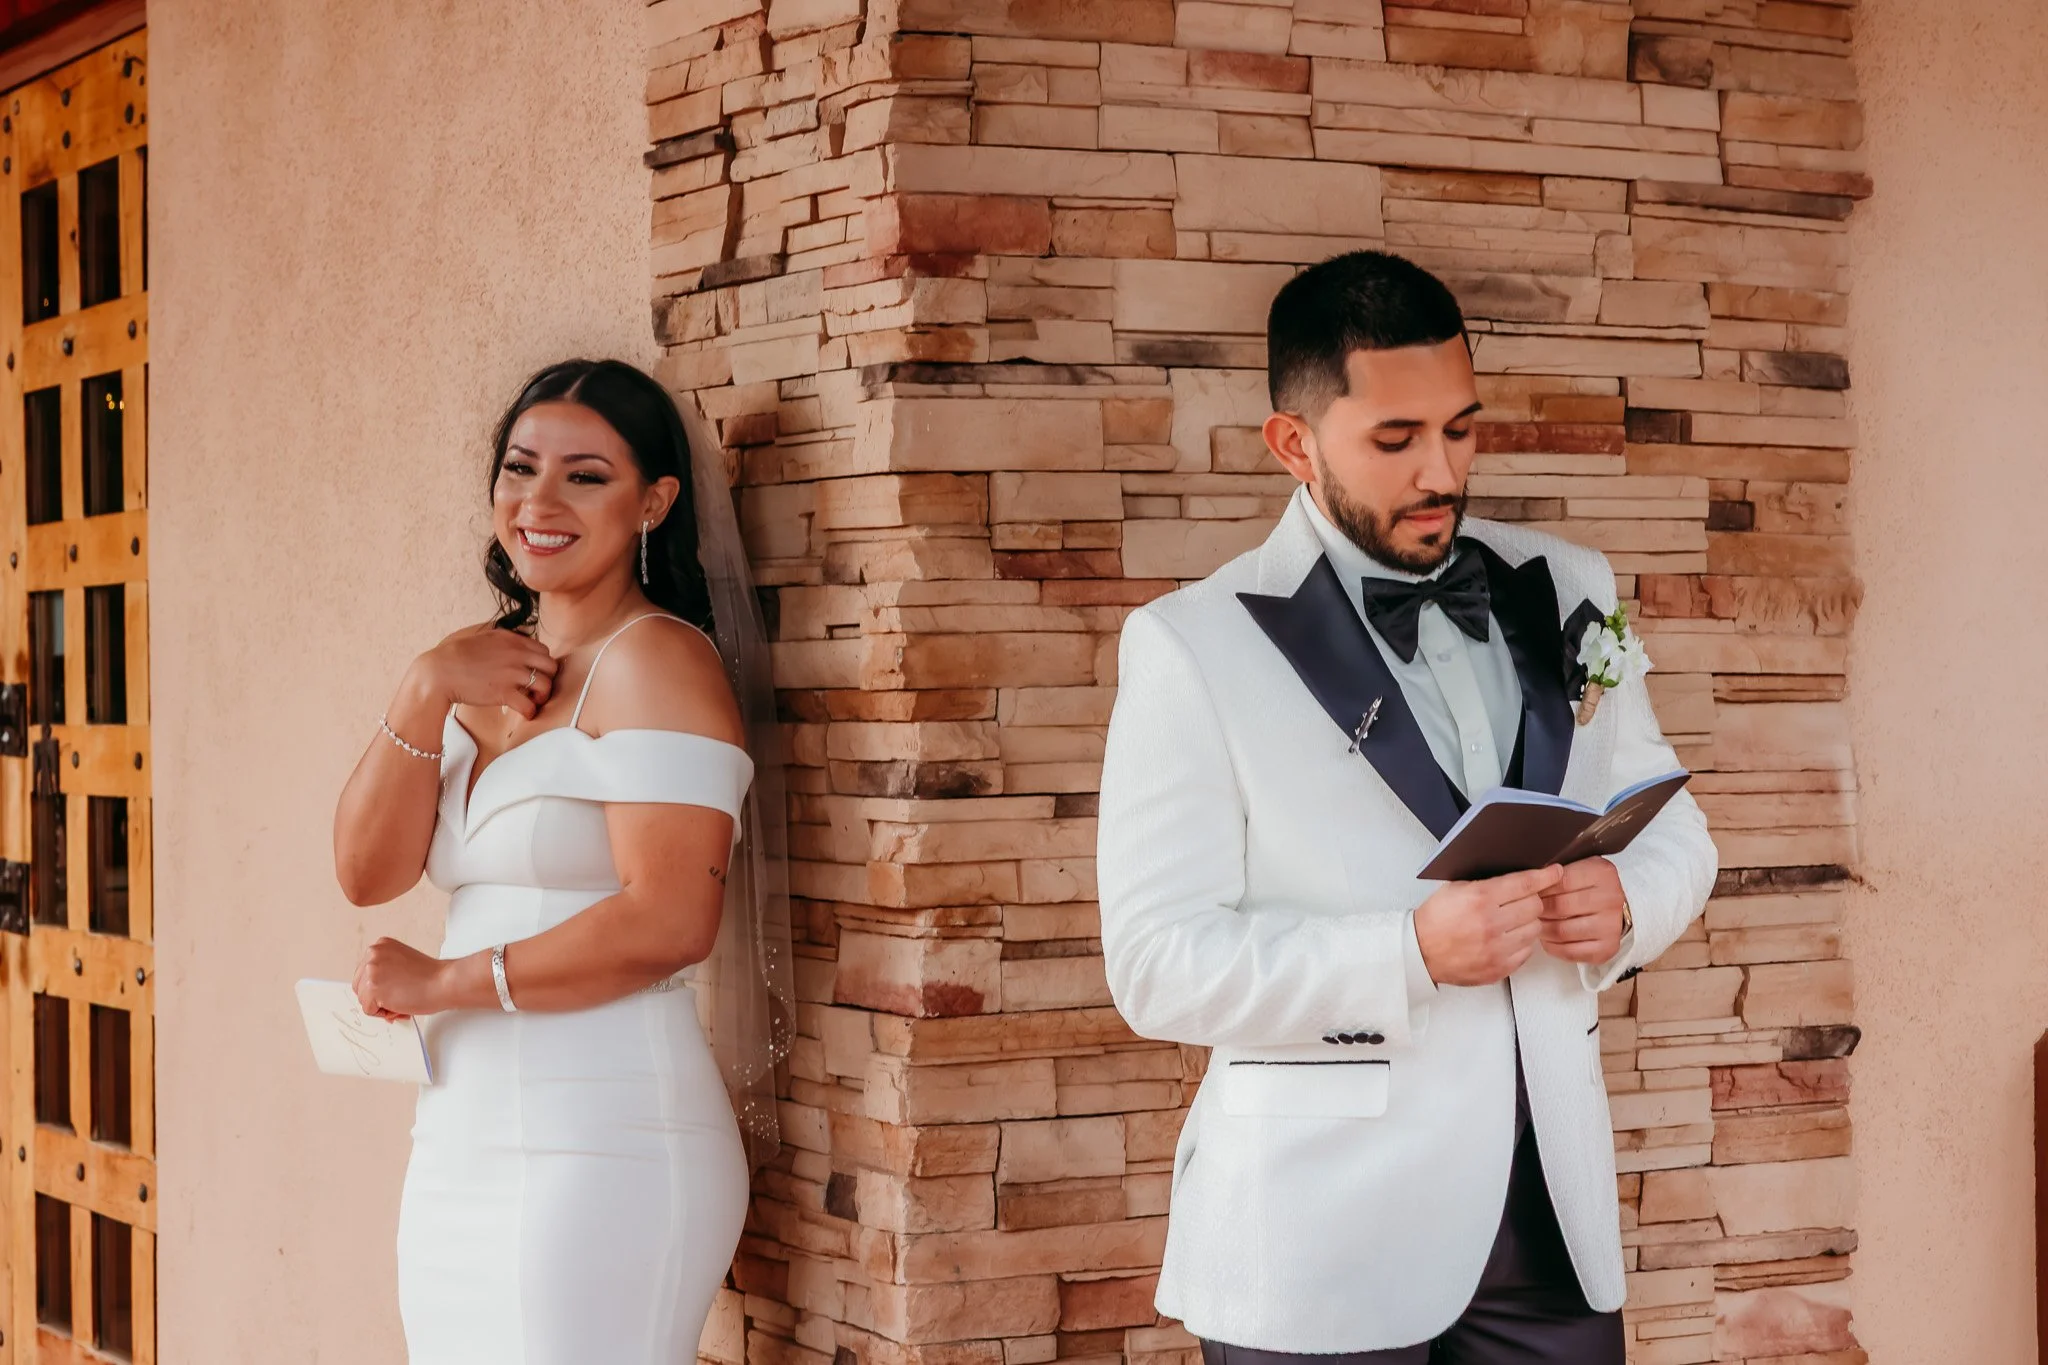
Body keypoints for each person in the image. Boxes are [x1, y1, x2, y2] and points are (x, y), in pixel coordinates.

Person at [1096, 251, 1718, 1363]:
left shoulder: (1570, 587)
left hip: (1549, 1226)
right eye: (1394, 440)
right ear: (1292, 444)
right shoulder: (1191, 647)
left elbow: (1671, 820)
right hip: (1317, 1243)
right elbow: (1155, 964)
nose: (1440, 471)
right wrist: (1407, 954)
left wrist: (1626, 899)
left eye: (1459, 429)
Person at [331, 358, 791, 1363]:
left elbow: (671, 919)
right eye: (519, 468)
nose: (538, 500)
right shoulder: (477, 665)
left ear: (653, 503)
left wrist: (441, 980)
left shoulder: (660, 662)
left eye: (584, 476)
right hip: (460, 1135)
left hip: (605, 1135)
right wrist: (420, 691)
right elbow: (367, 873)